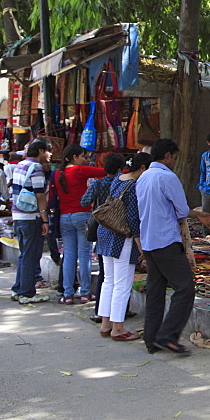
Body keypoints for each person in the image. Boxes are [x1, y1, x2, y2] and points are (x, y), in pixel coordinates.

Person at [137, 138, 210, 355]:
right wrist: (196, 214)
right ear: (169, 156)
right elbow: (181, 211)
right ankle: (167, 336)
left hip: (149, 241)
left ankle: (151, 338)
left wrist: (198, 214)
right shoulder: (167, 177)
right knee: (185, 288)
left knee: (155, 290)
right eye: (174, 157)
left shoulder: (143, 178)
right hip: (165, 240)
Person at [96, 153, 152, 342]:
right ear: (143, 168)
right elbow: (133, 218)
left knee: (108, 281)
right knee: (122, 283)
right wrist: (139, 243)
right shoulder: (135, 187)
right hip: (121, 237)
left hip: (106, 232)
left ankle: (106, 324)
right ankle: (118, 328)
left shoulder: (118, 179)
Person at [53, 145, 107, 304]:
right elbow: (105, 172)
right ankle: (85, 292)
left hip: (64, 217)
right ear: (75, 157)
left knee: (69, 255)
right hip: (82, 215)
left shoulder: (57, 174)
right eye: (84, 157)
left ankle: (68, 293)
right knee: (84, 255)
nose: (87, 160)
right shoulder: (79, 170)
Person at [81, 153, 128, 319]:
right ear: (120, 168)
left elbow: (84, 201)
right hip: (121, 230)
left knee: (105, 274)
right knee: (122, 274)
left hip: (102, 229)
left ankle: (100, 312)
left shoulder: (97, 184)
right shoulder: (124, 184)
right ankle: (121, 310)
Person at [9, 140, 52, 305]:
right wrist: (45, 219)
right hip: (30, 217)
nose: (50, 155)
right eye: (48, 151)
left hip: (18, 216)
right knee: (31, 255)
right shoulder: (37, 169)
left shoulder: (20, 165)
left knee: (24, 254)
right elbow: (40, 195)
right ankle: (27, 293)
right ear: (41, 151)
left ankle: (19, 288)